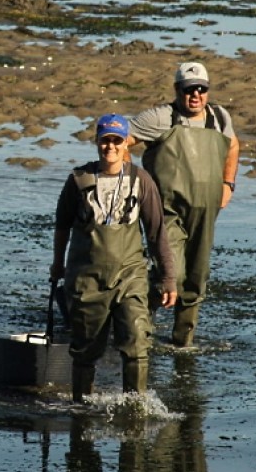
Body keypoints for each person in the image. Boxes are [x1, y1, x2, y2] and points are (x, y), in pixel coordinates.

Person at [50, 113, 177, 403]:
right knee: (85, 348)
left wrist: (169, 278)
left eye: (116, 141)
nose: (110, 147)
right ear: (96, 142)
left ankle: (135, 406)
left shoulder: (141, 180)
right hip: (86, 280)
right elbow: (61, 225)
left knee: (136, 342)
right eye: (105, 140)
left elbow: (157, 232)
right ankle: (81, 407)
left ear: (126, 145)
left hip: (130, 277)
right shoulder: (78, 179)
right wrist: (58, 265)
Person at [127, 62, 240, 347]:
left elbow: (234, 146)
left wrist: (228, 184)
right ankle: (139, 331)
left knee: (196, 276)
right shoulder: (160, 117)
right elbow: (120, 139)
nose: (196, 95)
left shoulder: (219, 117)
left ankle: (183, 343)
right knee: (170, 272)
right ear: (178, 90)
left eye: (202, 89)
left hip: (206, 209)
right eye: (190, 90)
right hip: (167, 210)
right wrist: (132, 183)